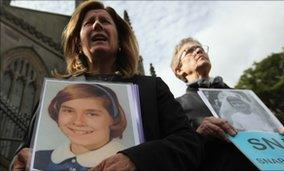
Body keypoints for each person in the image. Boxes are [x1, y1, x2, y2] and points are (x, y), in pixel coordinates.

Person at [11, 1, 201, 171]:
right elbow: (24, 149)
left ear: (120, 41)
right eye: (88, 22)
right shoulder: (54, 93)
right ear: (77, 42)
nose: (97, 25)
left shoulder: (150, 88)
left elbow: (189, 144)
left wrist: (135, 160)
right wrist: (18, 162)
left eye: (105, 21)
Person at [170, 37, 284, 170]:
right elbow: (177, 156)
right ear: (179, 69)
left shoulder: (245, 97)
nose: (198, 50)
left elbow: (274, 135)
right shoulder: (178, 106)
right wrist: (199, 136)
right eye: (189, 50)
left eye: (201, 48)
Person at [34, 83, 127, 170]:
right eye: (69, 111)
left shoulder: (128, 163)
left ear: (114, 119)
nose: (78, 122)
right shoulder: (39, 159)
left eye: (91, 114)